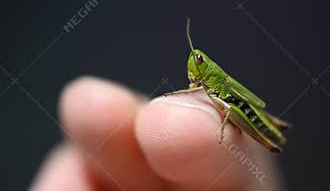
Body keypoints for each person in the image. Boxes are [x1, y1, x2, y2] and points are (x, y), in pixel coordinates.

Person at [30, 77, 285, 191]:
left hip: (242, 109)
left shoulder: (219, 83)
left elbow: (226, 108)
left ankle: (272, 133)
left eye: (198, 62)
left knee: (227, 111)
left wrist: (221, 131)